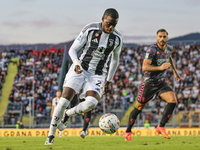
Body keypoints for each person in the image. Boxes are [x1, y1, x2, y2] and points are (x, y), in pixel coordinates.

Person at [45, 8, 122, 145]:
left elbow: (115, 60)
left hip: (97, 74)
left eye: (114, 24)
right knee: (63, 101)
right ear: (103, 19)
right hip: (80, 68)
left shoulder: (117, 38)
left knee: (91, 103)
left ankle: (68, 114)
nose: (111, 27)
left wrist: (109, 80)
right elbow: (73, 49)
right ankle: (51, 135)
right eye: (109, 23)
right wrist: (75, 63)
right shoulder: (90, 29)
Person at [124, 29, 180, 141]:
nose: (162, 39)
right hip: (148, 83)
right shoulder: (152, 49)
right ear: (156, 37)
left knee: (173, 100)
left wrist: (175, 72)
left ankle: (161, 126)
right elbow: (144, 67)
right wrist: (160, 68)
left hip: (161, 82)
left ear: (167, 38)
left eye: (164, 37)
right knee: (138, 108)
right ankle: (128, 131)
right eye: (160, 36)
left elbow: (169, 58)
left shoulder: (169, 48)